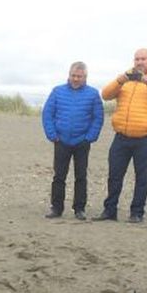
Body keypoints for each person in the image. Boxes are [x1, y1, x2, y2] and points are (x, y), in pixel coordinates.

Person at [94, 49, 147, 223]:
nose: (139, 62)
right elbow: (106, 95)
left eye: (143, 59)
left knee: (141, 175)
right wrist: (119, 80)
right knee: (114, 174)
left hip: (146, 136)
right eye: (137, 59)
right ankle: (110, 210)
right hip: (121, 135)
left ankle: (137, 212)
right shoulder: (125, 79)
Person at [41, 61, 104, 220]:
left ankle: (79, 209)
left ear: (85, 77)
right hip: (61, 140)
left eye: (79, 76)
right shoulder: (57, 91)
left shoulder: (93, 94)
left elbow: (98, 118)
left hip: (82, 141)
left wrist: (90, 137)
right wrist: (52, 134)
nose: (76, 79)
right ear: (69, 75)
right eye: (73, 75)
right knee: (59, 176)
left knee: (81, 176)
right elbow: (47, 114)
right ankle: (56, 208)